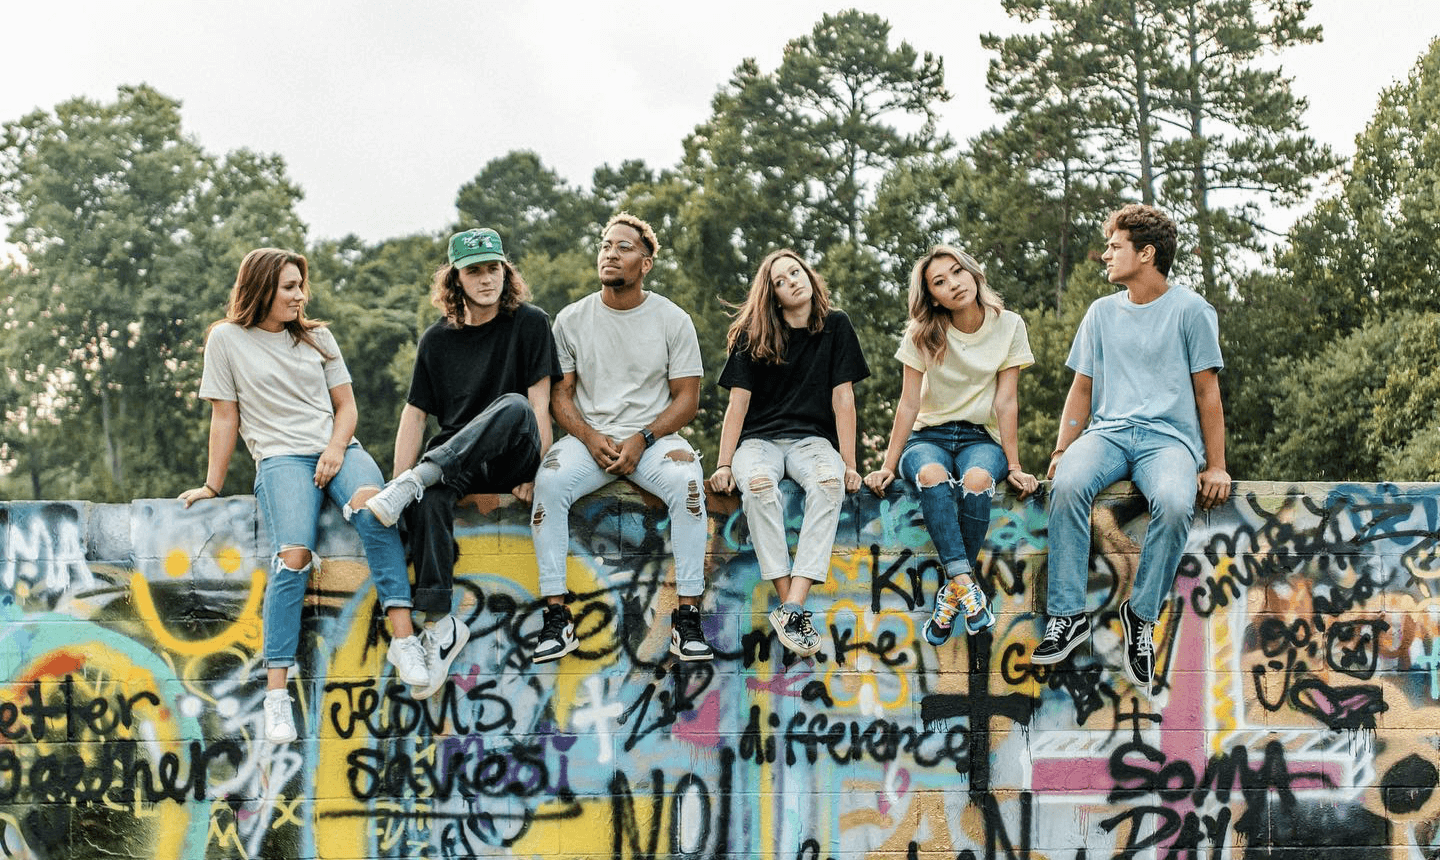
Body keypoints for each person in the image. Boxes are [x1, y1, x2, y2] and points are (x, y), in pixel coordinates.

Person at [179, 247, 428, 745]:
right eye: (289, 287)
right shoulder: (226, 340)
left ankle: (405, 641)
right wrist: (212, 483)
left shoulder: (318, 337)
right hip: (280, 458)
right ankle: (277, 693)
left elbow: (346, 407)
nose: (299, 295)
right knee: (292, 557)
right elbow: (224, 417)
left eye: (301, 286)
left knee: (375, 512)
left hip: (339, 447)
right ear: (262, 288)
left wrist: (336, 449)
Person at [1030, 204, 1229, 696]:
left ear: (1147, 253)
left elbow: (1208, 393)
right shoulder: (1100, 313)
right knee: (1070, 483)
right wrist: (1062, 449)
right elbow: (1081, 388)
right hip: (1109, 434)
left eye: (1115, 247)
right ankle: (1068, 614)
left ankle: (1141, 617)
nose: (1106, 256)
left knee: (1177, 502)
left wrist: (1218, 465)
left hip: (1168, 441)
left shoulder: (1191, 310)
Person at [364, 227, 560, 696]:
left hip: (514, 450)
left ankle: (422, 476)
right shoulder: (436, 341)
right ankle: (441, 622)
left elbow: (539, 406)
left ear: (505, 271)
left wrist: (540, 474)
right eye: (475, 271)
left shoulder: (530, 323)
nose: (487, 278)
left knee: (511, 404)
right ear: (456, 279)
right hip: (457, 461)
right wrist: (399, 480)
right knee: (428, 497)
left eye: (494, 268)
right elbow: (414, 414)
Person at [529, 212, 713, 663]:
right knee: (548, 485)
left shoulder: (672, 319)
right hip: (590, 440)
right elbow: (561, 396)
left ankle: (687, 621)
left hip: (651, 441)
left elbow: (686, 399)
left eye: (624, 247)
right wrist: (589, 437)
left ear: (646, 263)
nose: (611, 253)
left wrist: (644, 437)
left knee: (689, 486)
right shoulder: (572, 319)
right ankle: (557, 619)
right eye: (606, 245)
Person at [863, 245, 1038, 646]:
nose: (953, 284)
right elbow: (908, 403)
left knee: (977, 481)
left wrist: (1013, 466)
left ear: (973, 273)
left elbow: (1006, 400)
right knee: (931, 475)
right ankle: (967, 585)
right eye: (939, 282)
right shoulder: (923, 333)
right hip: (929, 438)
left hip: (980, 438)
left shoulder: (1009, 325)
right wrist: (889, 465)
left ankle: (952, 591)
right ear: (932, 296)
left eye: (957, 272)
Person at [708, 249, 869, 657]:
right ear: (773, 294)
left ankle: (792, 605)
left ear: (809, 275)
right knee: (760, 488)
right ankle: (791, 606)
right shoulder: (753, 333)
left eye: (795, 272)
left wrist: (850, 464)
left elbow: (843, 399)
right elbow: (738, 406)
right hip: (757, 442)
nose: (792, 281)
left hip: (811, 441)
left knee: (830, 485)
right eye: (780, 280)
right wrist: (725, 463)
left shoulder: (837, 326)